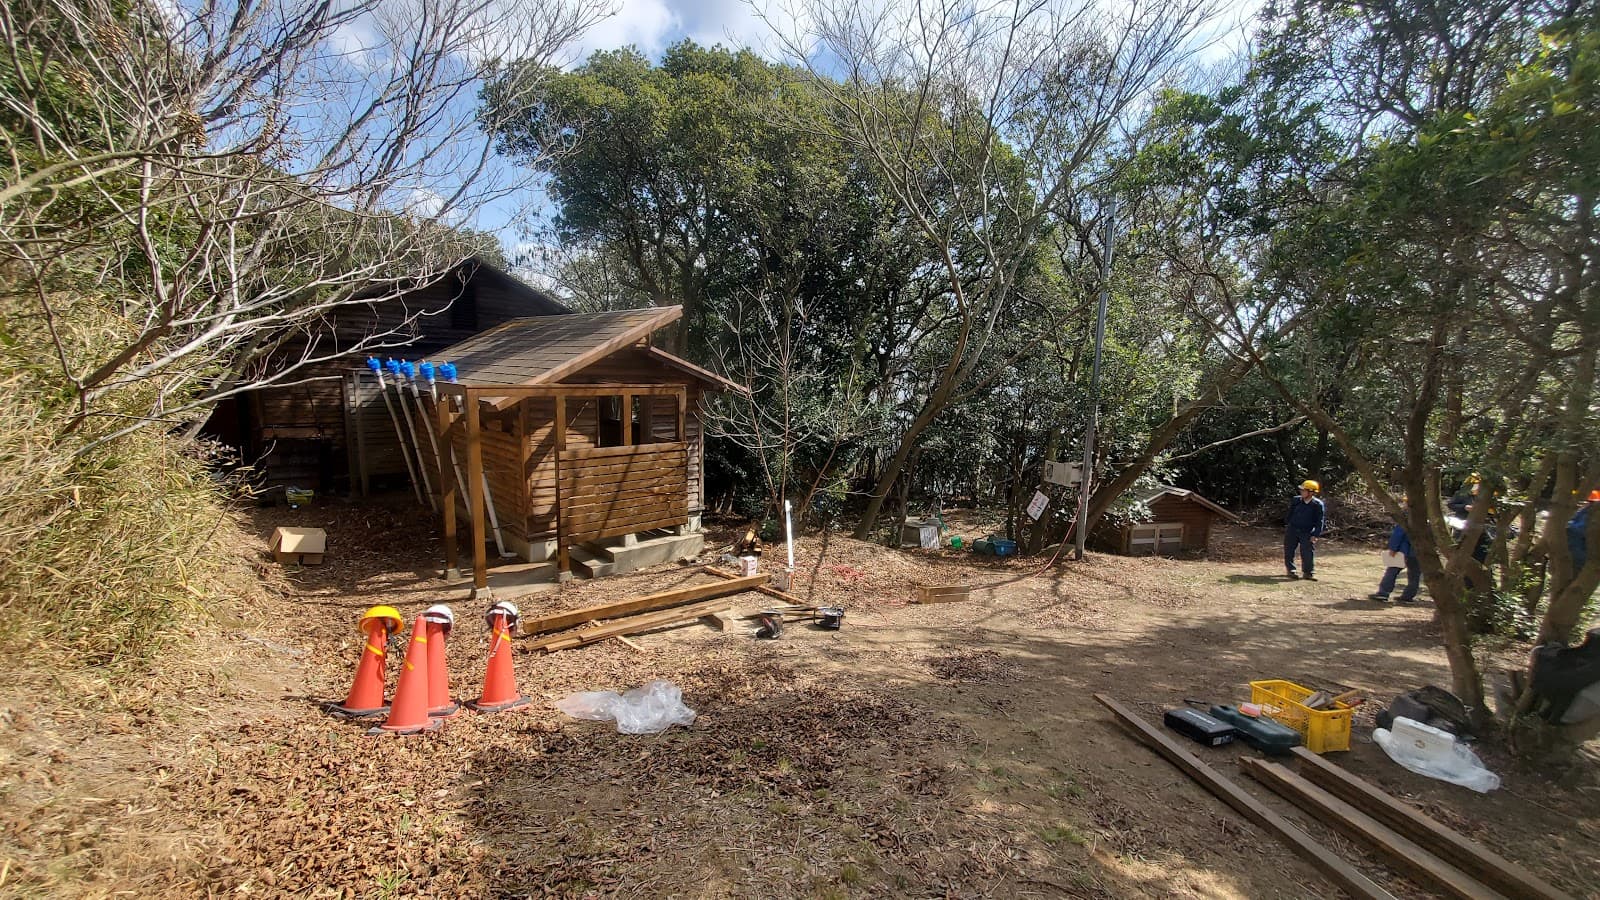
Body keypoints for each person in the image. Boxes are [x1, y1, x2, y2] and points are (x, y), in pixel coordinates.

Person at [1370, 511, 1421, 603]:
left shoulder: (1407, 519)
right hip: (1420, 553)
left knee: (1392, 571)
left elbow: (1398, 535)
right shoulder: (1429, 521)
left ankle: (1383, 593)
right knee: (1414, 575)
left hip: (1402, 551)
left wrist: (1393, 549)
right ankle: (1408, 596)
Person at [1284, 479, 1325, 580]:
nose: (1301, 492)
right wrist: (1287, 523)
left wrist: (1315, 534)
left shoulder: (1317, 505)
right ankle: (1291, 570)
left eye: (1304, 490)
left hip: (1307, 531)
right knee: (1289, 550)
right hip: (1292, 529)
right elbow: (1290, 513)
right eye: (1301, 490)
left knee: (1307, 552)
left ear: (1311, 492)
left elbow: (1319, 521)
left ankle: (1308, 572)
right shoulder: (1296, 500)